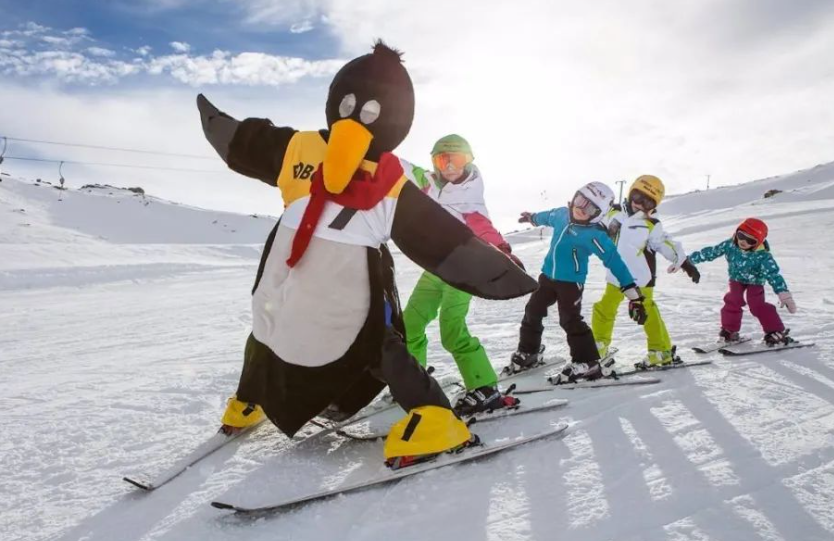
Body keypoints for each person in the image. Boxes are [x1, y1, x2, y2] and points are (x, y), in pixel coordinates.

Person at [196, 42, 536, 468]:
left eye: (372, 112)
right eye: (349, 106)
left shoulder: (389, 178)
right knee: (266, 329)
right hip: (289, 276)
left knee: (377, 345)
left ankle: (435, 417)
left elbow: (440, 237)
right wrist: (224, 129)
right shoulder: (299, 147)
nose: (356, 119)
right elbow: (248, 143)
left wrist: (496, 268)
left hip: (351, 284)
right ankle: (252, 398)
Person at [402, 134, 524, 417]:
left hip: (462, 272)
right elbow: (402, 167)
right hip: (434, 268)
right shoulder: (428, 183)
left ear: (467, 161)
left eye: (455, 159)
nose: (448, 166)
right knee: (409, 325)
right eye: (441, 159)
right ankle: (412, 380)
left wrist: (504, 251)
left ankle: (485, 387)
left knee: (452, 330)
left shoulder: (470, 199)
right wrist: (371, 148)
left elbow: (485, 230)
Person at [511, 182, 648, 383]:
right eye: (580, 200)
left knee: (570, 320)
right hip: (547, 277)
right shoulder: (561, 215)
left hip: (571, 283)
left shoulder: (594, 235)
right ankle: (529, 352)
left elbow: (615, 262)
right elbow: (547, 216)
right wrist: (532, 217)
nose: (581, 208)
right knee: (533, 310)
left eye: (590, 208)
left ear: (599, 214)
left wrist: (633, 294)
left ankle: (588, 362)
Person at [591, 175, 702, 367]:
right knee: (604, 309)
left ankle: (660, 351)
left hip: (641, 278)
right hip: (616, 276)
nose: (640, 205)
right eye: (637, 197)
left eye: (648, 202)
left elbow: (665, 243)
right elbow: (594, 225)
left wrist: (684, 262)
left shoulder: (651, 224)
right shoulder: (613, 213)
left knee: (647, 313)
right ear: (630, 193)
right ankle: (599, 345)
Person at [686, 218, 796, 345]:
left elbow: (773, 275)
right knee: (733, 300)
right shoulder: (730, 245)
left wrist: (783, 293)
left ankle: (775, 331)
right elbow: (711, 252)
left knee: (756, 305)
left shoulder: (763, 256)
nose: (743, 241)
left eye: (750, 240)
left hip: (755, 282)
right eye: (741, 236)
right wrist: (687, 261)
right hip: (736, 279)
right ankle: (729, 331)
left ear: (758, 242)